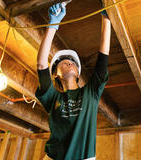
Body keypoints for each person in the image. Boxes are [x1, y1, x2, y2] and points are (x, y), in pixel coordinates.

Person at [35, 3, 111, 160]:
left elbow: (103, 58)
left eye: (72, 62)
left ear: (78, 73)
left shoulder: (91, 92)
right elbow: (42, 65)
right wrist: (53, 24)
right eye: (63, 62)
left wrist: (106, 17)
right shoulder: (52, 98)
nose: (69, 63)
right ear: (56, 75)